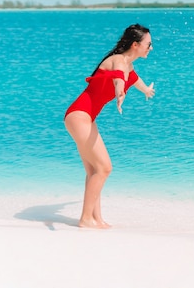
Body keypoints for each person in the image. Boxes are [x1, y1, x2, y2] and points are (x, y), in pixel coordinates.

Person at [64, 24, 155, 228]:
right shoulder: (118, 61)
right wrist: (120, 94)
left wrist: (146, 91)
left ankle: (96, 218)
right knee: (105, 168)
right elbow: (118, 79)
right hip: (79, 115)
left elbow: (133, 79)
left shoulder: (128, 65)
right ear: (136, 44)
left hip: (85, 117)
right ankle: (86, 219)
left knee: (95, 170)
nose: (151, 48)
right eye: (149, 44)